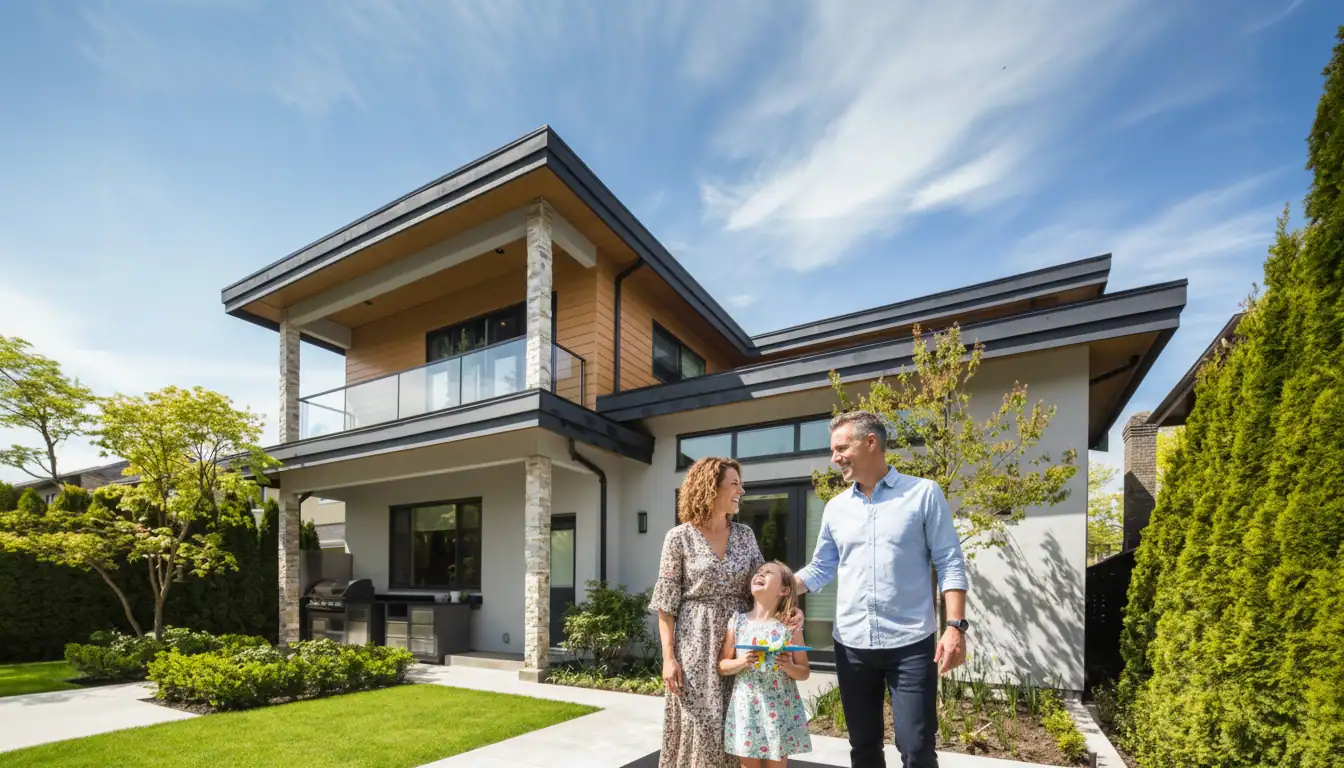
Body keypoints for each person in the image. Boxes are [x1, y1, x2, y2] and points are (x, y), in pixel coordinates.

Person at [794, 411, 969, 768]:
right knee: (863, 748)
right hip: (852, 646)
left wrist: (955, 628)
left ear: (870, 442)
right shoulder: (835, 509)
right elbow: (821, 569)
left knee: (917, 747)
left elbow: (950, 561)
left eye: (841, 447)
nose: (835, 457)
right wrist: (781, 586)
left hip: (911, 645)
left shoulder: (923, 494)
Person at [650, 457, 802, 768]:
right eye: (734, 484)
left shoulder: (745, 535)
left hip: (741, 641)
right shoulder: (678, 538)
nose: (741, 491)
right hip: (696, 644)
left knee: (740, 727)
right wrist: (668, 658)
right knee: (702, 723)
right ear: (710, 488)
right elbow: (666, 605)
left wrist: (790, 611)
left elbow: (766, 583)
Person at [720, 560, 814, 767]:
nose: (760, 574)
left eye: (768, 573)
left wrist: (790, 668)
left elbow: (804, 671)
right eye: (759, 571)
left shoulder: (790, 625)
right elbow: (723, 665)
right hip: (746, 706)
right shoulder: (737, 621)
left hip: (780, 708)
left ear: (784, 590)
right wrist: (742, 662)